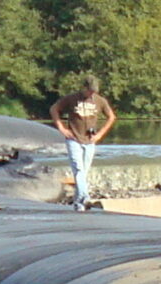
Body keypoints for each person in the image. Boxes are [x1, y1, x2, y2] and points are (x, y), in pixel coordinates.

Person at [48, 75, 116, 209]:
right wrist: (61, 128)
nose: (92, 93)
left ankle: (78, 203)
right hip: (73, 139)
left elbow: (111, 117)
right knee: (78, 169)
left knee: (84, 172)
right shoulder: (72, 99)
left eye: (94, 91)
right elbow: (54, 109)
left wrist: (100, 134)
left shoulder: (99, 101)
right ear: (84, 88)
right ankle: (85, 198)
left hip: (90, 141)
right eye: (89, 90)